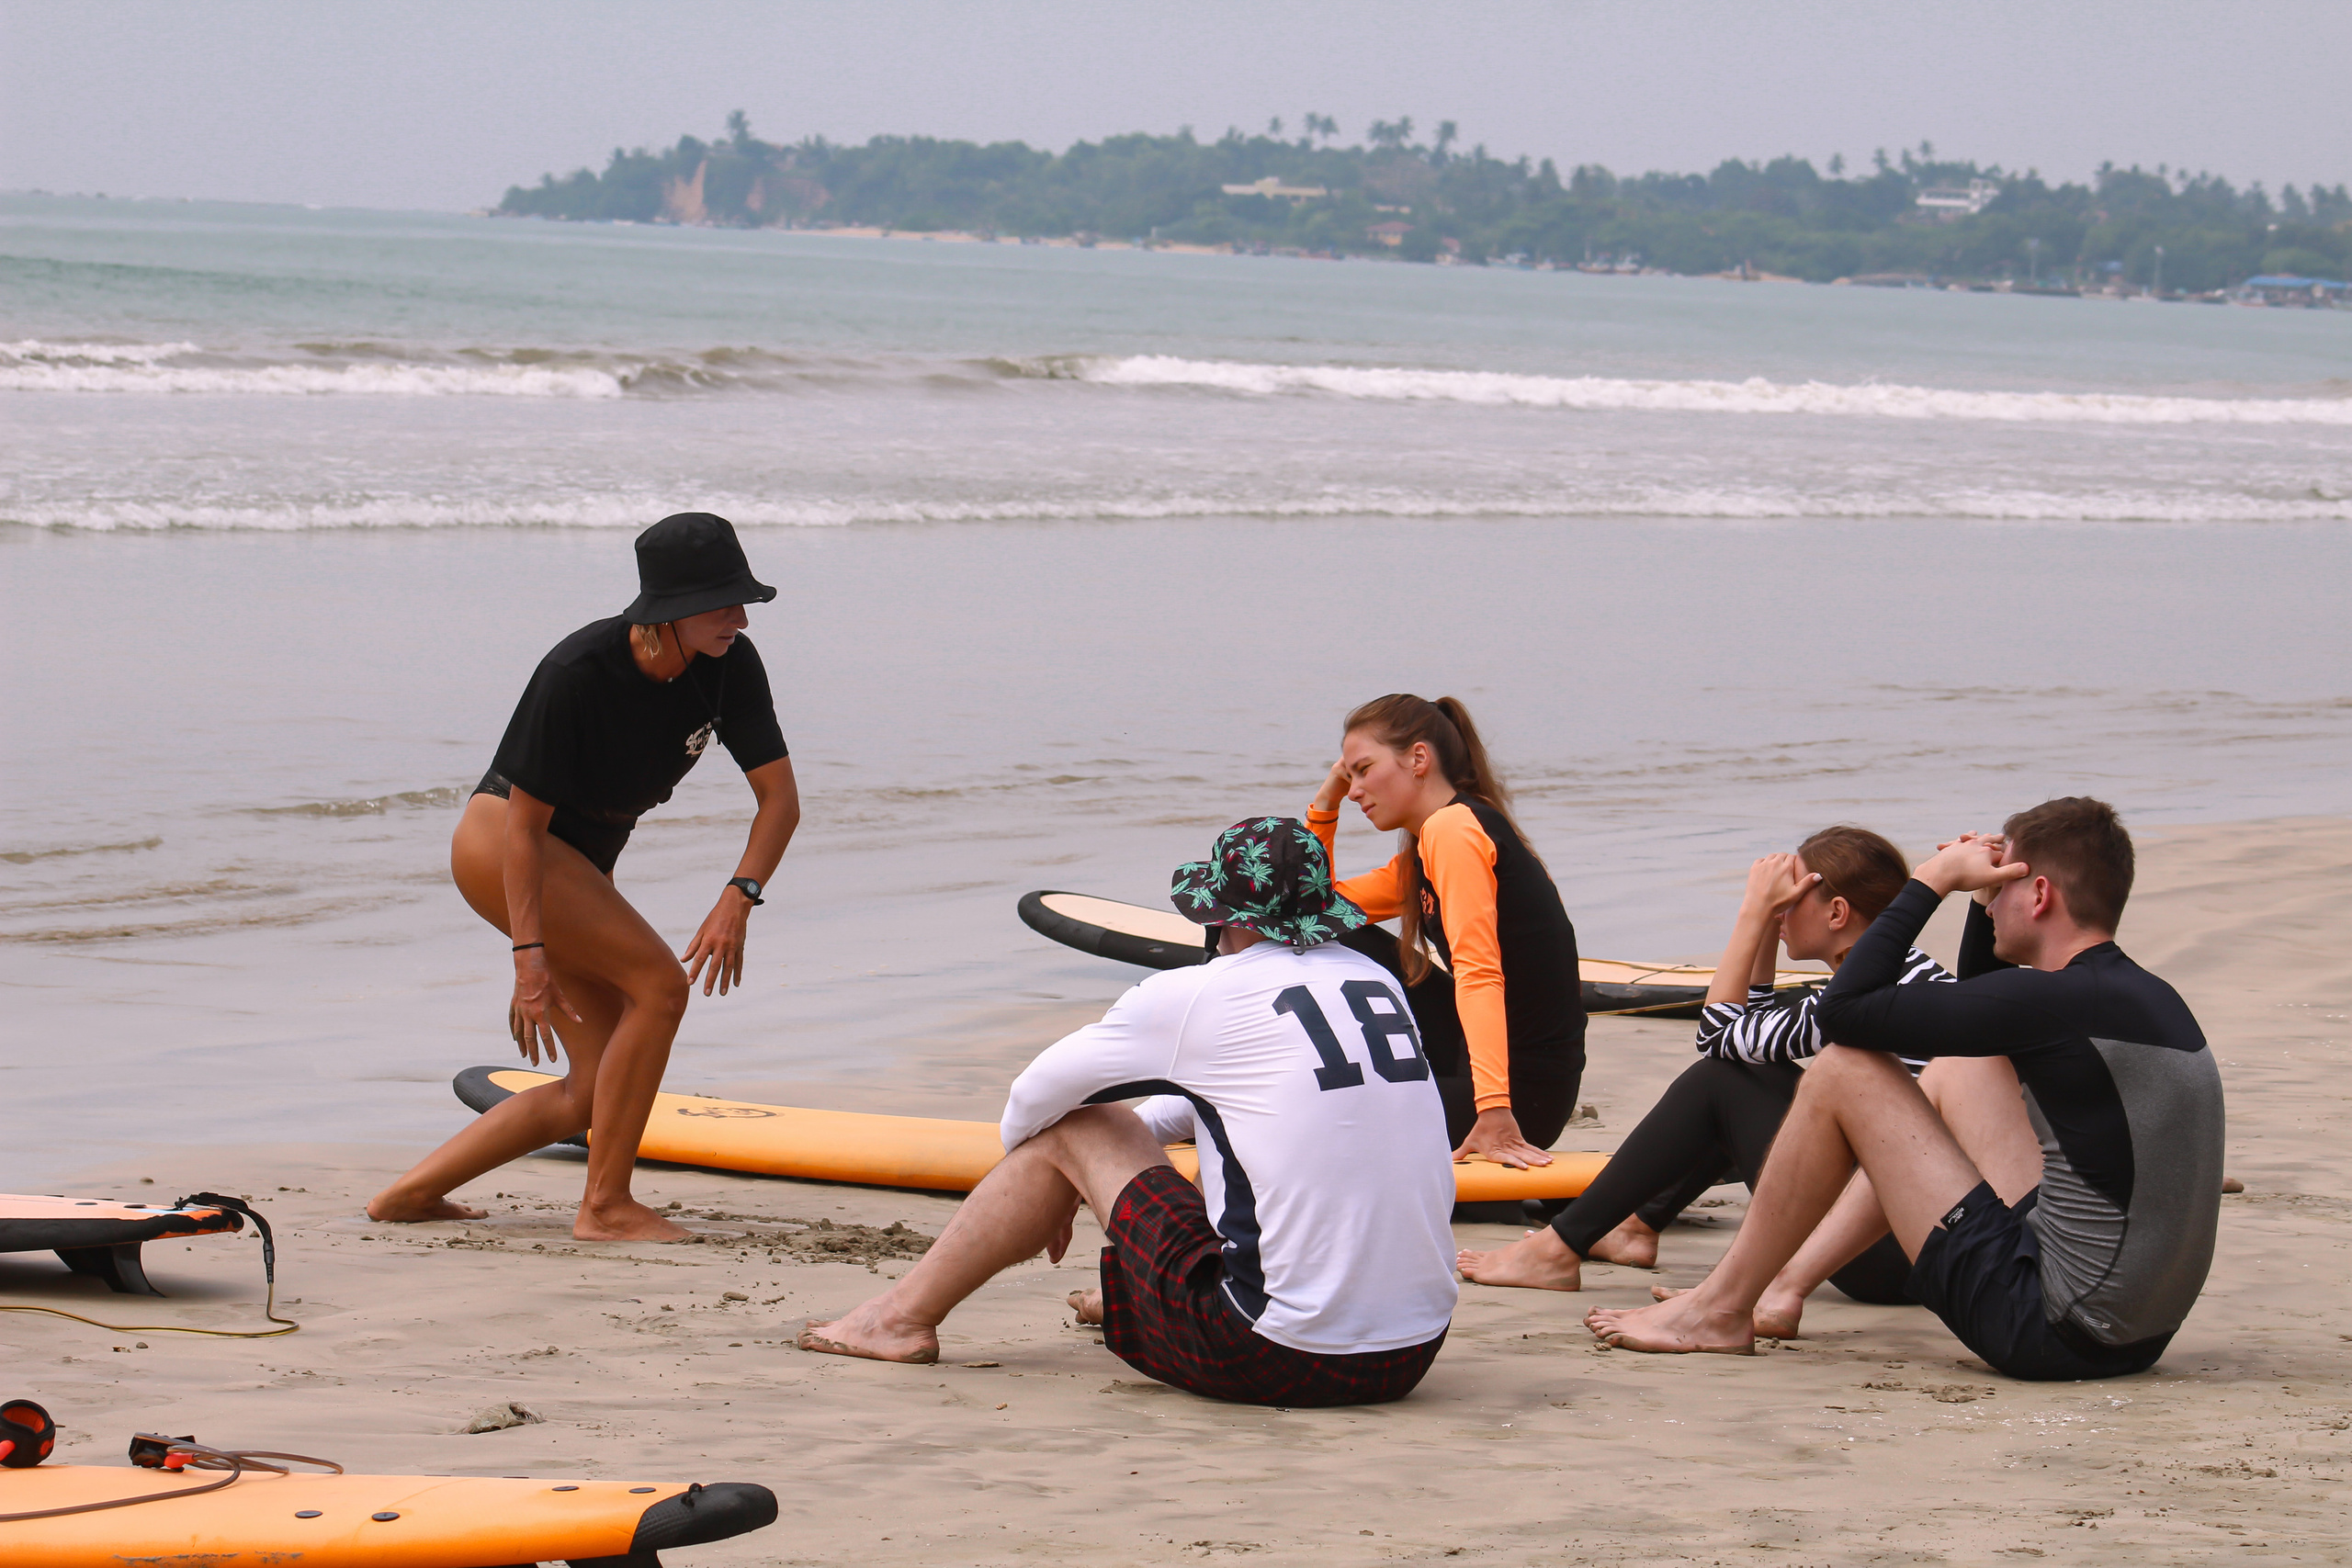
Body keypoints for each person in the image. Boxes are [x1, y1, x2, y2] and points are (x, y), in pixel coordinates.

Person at [798, 818, 1458, 1407]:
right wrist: (1091, 1171)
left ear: (1227, 916)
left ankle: (898, 1316)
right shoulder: (1375, 980)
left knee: (1081, 1119)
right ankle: (1129, 1289)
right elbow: (1226, 1099)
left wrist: (1059, 1181)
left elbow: (1033, 1098)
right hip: (1411, 1353)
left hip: (1279, 1354)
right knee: (1221, 1134)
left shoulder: (1201, 993)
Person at [1587, 799, 2223, 1382]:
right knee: (1958, 1066)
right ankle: (1783, 1282)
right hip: (2135, 1331)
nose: (1991, 899)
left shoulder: (2056, 1001)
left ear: (2039, 893)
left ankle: (1721, 1309)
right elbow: (1985, 1021)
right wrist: (1978, 906)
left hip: (2051, 1329)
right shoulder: (2137, 996)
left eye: (2000, 890)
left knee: (1844, 1068)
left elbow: (1844, 1015)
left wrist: (1933, 881)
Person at [368, 513, 799, 1243]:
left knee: (592, 1086)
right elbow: (527, 830)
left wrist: (740, 896)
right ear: (669, 610)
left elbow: (780, 802)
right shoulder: (576, 673)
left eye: (744, 597)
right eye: (725, 601)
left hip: (575, 868)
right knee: (662, 986)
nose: (742, 616)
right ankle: (605, 1205)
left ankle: (408, 1196)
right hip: (504, 844)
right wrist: (529, 955)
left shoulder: (731, 666)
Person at [1457, 826, 1998, 1304]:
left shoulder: (1865, 999)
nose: (1783, 912)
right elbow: (1751, 1036)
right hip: (1913, 1239)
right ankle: (1637, 1225)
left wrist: (1753, 912)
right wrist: (1768, 923)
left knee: (1721, 1081)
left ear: (1836, 913)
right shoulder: (1906, 976)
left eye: (1793, 901)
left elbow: (1717, 1037)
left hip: (1883, 1258)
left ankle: (1558, 1249)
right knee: (1747, 1073)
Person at [1306, 694, 1584, 1171]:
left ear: (1418, 758)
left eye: (1364, 770)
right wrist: (1325, 802)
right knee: (1333, 936)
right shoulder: (1430, 844)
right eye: (1347, 775)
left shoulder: (1455, 830)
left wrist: (1493, 1109)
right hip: (1480, 1068)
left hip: (1516, 1097)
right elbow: (1315, 910)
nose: (1354, 790)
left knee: (1314, 1125)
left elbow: (1480, 972)